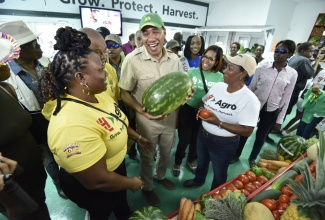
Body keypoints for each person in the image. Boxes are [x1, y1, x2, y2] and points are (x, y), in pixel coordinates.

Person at [40, 26, 152, 220]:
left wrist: (137, 137)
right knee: (101, 210)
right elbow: (98, 181)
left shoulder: (97, 95)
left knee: (120, 203)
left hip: (115, 167)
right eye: (101, 70)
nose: (107, 74)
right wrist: (131, 182)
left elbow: (115, 120)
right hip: (94, 184)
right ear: (81, 78)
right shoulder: (71, 126)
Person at [119, 13, 185, 207]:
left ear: (164, 33)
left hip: (170, 120)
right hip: (146, 122)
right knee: (147, 157)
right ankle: (147, 187)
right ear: (141, 37)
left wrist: (185, 95)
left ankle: (160, 175)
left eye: (155, 31)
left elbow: (181, 86)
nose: (151, 38)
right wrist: (142, 110)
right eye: (146, 33)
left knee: (166, 152)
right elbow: (124, 93)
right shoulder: (132, 60)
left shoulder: (174, 60)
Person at [0, 20, 67, 199]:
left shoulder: (44, 61)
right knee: (48, 158)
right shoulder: (7, 76)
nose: (40, 47)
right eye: (34, 45)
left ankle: (68, 180)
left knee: (65, 150)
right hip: (34, 123)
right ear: (19, 50)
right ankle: (58, 184)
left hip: (57, 115)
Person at [183, 54, 260, 191]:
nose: (224, 70)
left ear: (243, 73)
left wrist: (218, 123)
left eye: (230, 68)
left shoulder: (250, 100)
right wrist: (201, 109)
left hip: (224, 144)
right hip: (203, 135)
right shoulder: (218, 86)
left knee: (219, 173)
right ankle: (198, 180)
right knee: (202, 162)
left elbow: (247, 131)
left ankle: (214, 195)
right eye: (226, 67)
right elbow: (204, 101)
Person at [233, 40, 298, 167]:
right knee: (245, 132)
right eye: (277, 50)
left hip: (272, 110)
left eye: (282, 51)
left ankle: (253, 158)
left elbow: (287, 97)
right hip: (253, 107)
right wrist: (243, 107)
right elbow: (251, 89)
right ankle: (236, 154)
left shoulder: (292, 74)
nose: (278, 53)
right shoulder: (262, 68)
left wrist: (279, 120)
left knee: (261, 136)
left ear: (289, 54)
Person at [0, 60, 50, 219]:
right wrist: (10, 204)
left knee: (41, 210)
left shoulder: (6, 88)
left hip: (34, 176)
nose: (5, 62)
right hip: (13, 190)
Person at [173, 45, 224, 177]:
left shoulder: (220, 77)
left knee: (197, 140)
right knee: (184, 140)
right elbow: (182, 94)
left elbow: (219, 97)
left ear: (217, 62)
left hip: (204, 113)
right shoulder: (192, 72)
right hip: (188, 110)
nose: (206, 60)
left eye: (211, 59)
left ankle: (191, 160)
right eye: (205, 56)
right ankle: (177, 162)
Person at [105, 33, 140, 162]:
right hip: (112, 105)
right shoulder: (103, 65)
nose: (111, 48)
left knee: (131, 127)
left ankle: (131, 151)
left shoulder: (128, 62)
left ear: (120, 48)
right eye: (108, 45)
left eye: (114, 45)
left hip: (128, 102)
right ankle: (118, 155)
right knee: (115, 131)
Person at [286, 42, 325, 116]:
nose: (313, 53)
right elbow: (310, 74)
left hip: (288, 88)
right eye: (311, 51)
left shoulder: (295, 57)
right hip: (293, 91)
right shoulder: (304, 60)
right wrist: (317, 61)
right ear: (303, 51)